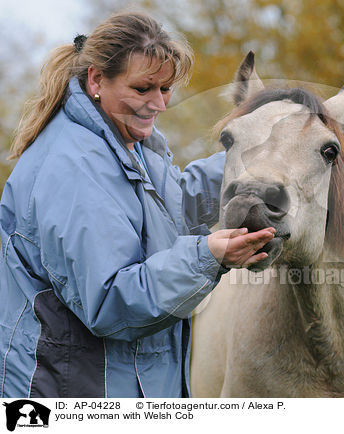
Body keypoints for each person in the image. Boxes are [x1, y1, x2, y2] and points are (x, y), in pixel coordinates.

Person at [0, 11, 274, 398]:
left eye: (166, 90)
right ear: (97, 80)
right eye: (143, 89)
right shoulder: (73, 169)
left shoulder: (128, 142)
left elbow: (171, 208)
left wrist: (256, 160)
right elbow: (112, 301)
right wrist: (209, 257)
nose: (158, 104)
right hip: (79, 395)